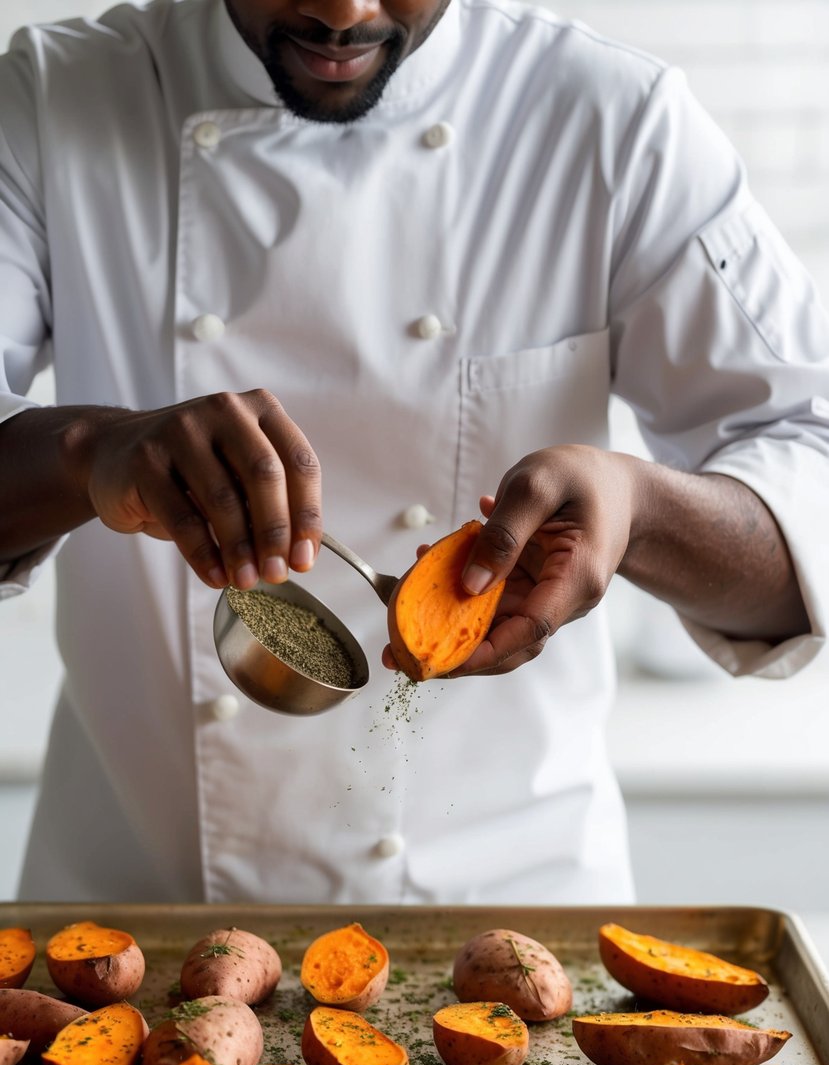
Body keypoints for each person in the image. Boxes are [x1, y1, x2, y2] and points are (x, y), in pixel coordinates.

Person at [0, 0, 826, 905]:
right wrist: (89, 451)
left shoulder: (610, 120)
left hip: (513, 912)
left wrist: (638, 509)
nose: (343, 12)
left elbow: (807, 488)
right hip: (134, 919)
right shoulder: (54, 97)